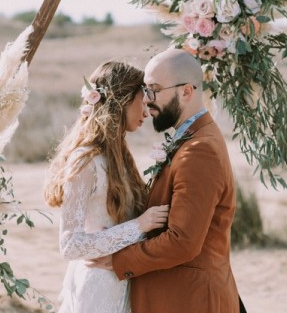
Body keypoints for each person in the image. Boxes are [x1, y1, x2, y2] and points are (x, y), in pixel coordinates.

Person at [89, 48, 240, 312]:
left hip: (190, 300)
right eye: (146, 91)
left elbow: (182, 241)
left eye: (154, 90)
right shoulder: (193, 138)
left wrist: (119, 260)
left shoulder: (199, 149)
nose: (147, 101)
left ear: (186, 91)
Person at [43, 61, 170, 313]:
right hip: (98, 288)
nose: (146, 110)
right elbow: (70, 245)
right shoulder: (86, 160)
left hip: (122, 279)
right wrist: (140, 225)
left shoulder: (118, 155)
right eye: (141, 98)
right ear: (121, 100)